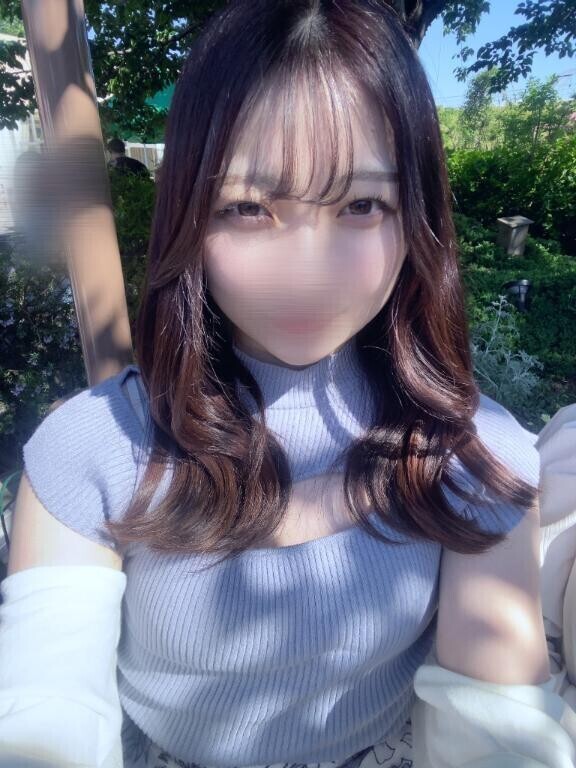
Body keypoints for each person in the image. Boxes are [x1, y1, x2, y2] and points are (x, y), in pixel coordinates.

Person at [1, 2, 576, 767]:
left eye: (361, 206)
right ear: (191, 216)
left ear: (415, 220)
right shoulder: (93, 450)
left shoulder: (475, 453)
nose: (308, 270)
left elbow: (495, 729)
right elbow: (49, 715)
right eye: (248, 207)